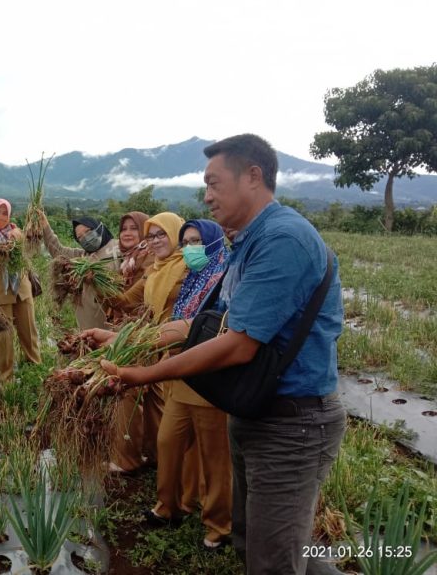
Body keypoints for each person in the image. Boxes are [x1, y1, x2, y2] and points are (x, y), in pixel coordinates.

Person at [100, 134, 345, 574]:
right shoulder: (247, 242)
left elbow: (237, 344)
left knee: (273, 560)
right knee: (259, 544)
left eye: (214, 184)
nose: (207, 196)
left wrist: (141, 375)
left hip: (293, 426)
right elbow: (203, 326)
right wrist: (117, 340)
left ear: (253, 176)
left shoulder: (283, 238)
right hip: (257, 412)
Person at [148, 219, 232, 551]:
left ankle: (217, 526)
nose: (190, 248)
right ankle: (167, 506)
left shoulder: (224, 277)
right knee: (168, 442)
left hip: (210, 380)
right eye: (186, 243)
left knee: (214, 458)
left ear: (213, 242)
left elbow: (210, 326)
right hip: (179, 373)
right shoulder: (192, 280)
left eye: (197, 241)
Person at [103, 212, 188, 473]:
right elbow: (125, 301)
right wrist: (97, 282)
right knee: (149, 400)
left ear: (176, 234)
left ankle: (146, 460)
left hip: (178, 346)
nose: (155, 240)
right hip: (150, 341)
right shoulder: (153, 270)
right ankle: (151, 456)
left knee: (151, 399)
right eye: (151, 236)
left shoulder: (189, 267)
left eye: (161, 234)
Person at [0, 199, 41, 383]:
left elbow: (27, 250)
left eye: (5, 212)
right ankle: (6, 377)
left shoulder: (15, 231)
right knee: (4, 338)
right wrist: (7, 249)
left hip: (22, 289)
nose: (2, 216)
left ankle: (34, 367)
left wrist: (16, 241)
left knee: (29, 331)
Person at [39, 212, 120, 330]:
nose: (86, 238)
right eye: (80, 237)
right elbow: (58, 250)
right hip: (87, 325)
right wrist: (45, 226)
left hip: (113, 325)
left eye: (88, 232)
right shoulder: (82, 256)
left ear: (99, 228)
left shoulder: (118, 248)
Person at [106, 212, 152, 323]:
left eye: (134, 228)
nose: (127, 233)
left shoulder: (150, 258)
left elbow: (129, 302)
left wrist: (98, 284)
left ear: (144, 231)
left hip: (138, 326)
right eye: (123, 229)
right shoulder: (128, 260)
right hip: (124, 323)